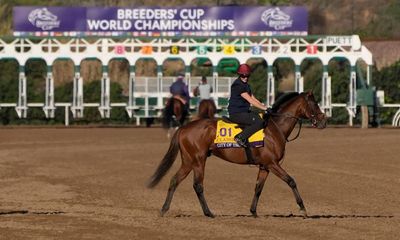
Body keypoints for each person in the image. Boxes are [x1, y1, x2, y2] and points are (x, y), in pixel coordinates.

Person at [228, 63, 268, 148]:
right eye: (243, 76)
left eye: (247, 76)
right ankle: (240, 137)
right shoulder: (237, 85)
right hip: (236, 114)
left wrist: (265, 106)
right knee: (259, 122)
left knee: (259, 116)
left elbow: (253, 98)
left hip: (244, 112)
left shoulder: (246, 85)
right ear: (239, 75)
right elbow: (250, 100)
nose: (245, 78)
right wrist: (265, 108)